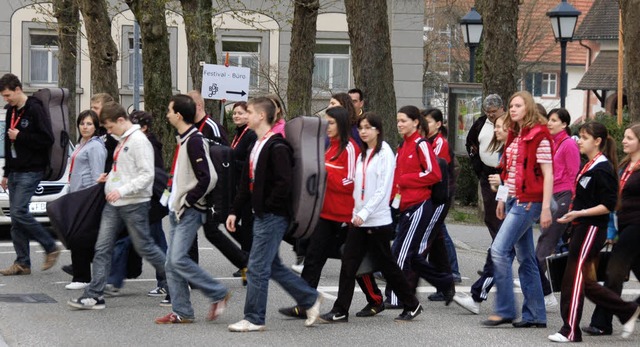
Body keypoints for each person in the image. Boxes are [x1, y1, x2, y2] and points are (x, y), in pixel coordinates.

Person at [225, 97, 321, 332]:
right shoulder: (257, 144)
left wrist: (267, 206)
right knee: (273, 266)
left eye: (249, 112)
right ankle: (310, 298)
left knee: (257, 267)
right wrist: (235, 211)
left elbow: (284, 183)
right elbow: (248, 183)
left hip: (273, 215)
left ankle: (254, 318)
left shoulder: (277, 146)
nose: (244, 115)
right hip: (262, 214)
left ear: (261, 116)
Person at [280, 106, 383, 320]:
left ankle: (373, 299)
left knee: (352, 263)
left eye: (332, 123)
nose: (327, 126)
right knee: (313, 257)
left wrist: (326, 174)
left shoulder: (351, 148)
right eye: (326, 122)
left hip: (347, 216)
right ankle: (304, 304)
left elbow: (353, 181)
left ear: (342, 124)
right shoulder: (329, 148)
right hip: (326, 214)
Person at [320, 112, 423, 322]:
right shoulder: (363, 153)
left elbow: (383, 190)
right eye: (361, 128)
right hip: (359, 220)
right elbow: (359, 188)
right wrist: (354, 212)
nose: (363, 131)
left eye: (368, 127)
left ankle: (412, 304)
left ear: (377, 129)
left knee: (388, 266)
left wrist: (364, 213)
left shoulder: (384, 152)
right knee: (348, 264)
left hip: (377, 221)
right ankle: (340, 310)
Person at [67, 101, 167, 310]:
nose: (109, 132)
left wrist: (120, 189)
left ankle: (177, 283)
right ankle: (95, 295)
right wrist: (110, 178)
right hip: (115, 202)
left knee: (147, 247)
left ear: (121, 120)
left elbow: (146, 174)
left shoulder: (138, 141)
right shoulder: (122, 139)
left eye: (110, 127)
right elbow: (121, 169)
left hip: (134, 202)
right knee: (103, 248)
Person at [548, 122, 640, 343]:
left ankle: (570, 330)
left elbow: (608, 204)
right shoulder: (590, 165)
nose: (579, 140)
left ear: (597, 141)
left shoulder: (603, 167)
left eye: (584, 137)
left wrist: (579, 213)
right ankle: (627, 310)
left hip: (592, 229)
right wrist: (573, 218)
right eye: (579, 136)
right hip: (583, 228)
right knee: (582, 282)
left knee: (576, 279)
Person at [155, 94, 229, 324]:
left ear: (178, 115)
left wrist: (188, 199)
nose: (167, 114)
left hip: (190, 209)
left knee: (176, 259)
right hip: (178, 208)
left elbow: (209, 178)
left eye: (169, 110)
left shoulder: (195, 140)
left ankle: (217, 292)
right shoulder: (184, 138)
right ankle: (182, 311)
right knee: (171, 262)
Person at [483, 91, 552, 328]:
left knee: (499, 251)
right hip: (514, 200)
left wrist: (545, 208)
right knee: (526, 259)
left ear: (528, 108)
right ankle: (535, 315)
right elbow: (509, 172)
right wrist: (502, 199)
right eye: (511, 105)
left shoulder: (538, 136)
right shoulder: (517, 134)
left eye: (518, 105)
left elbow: (548, 174)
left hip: (528, 202)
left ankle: (505, 309)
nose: (513, 109)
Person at [385, 105, 451, 310]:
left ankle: (396, 298)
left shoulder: (421, 144)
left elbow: (434, 174)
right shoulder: (402, 147)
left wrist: (407, 180)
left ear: (415, 122)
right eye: (398, 121)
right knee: (410, 254)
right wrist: (392, 202)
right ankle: (443, 281)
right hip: (405, 206)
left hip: (419, 205)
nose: (399, 124)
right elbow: (396, 179)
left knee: (400, 253)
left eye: (404, 120)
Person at [0, 73, 60, 276]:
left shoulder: (35, 108)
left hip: (32, 169)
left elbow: (47, 139)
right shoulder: (11, 111)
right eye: (3, 96)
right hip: (15, 171)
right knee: (16, 221)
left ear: (18, 89)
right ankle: (22, 263)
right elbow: (9, 144)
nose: (6, 99)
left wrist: (21, 136)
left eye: (8, 95)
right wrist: (6, 173)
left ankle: (50, 246)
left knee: (17, 212)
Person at [584, 123, 640, 336]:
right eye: (625, 137)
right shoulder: (625, 165)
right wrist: (611, 230)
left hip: (637, 225)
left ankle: (602, 322)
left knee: (614, 271)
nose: (624, 141)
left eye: (630, 138)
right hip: (624, 225)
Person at [454, 114, 509, 314]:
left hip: (522, 209)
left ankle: (478, 297)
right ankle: (541, 301)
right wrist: (501, 193)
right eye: (495, 127)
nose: (496, 130)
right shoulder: (508, 150)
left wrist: (503, 186)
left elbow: (525, 182)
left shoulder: (517, 148)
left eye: (501, 127)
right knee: (527, 258)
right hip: (515, 206)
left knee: (499, 250)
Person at [533, 108, 580, 308]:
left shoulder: (568, 144)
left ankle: (539, 288)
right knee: (547, 240)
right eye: (548, 120)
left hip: (563, 196)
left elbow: (573, 174)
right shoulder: (552, 142)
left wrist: (570, 202)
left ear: (564, 124)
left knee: (546, 243)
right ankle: (543, 288)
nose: (549, 123)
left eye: (554, 120)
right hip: (551, 196)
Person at [421, 108, 461, 303]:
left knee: (434, 237)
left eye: (427, 121)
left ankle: (450, 275)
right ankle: (446, 284)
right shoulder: (426, 142)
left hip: (439, 196)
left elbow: (432, 168)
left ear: (438, 124)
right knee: (437, 239)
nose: (424, 125)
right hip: (430, 196)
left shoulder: (439, 143)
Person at [65, 110, 107, 289]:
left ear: (96, 126)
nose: (85, 127)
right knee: (78, 236)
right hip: (77, 194)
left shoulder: (95, 146)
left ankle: (81, 277)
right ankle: (81, 274)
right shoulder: (82, 143)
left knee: (79, 237)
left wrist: (90, 197)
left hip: (86, 196)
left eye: (89, 123)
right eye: (82, 123)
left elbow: (97, 174)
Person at [228, 101, 257, 254]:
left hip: (247, 188)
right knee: (230, 222)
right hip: (237, 186)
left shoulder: (250, 134)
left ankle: (248, 258)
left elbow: (249, 163)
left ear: (248, 115)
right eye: (234, 113)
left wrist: (231, 162)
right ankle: (249, 253)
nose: (236, 116)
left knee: (246, 226)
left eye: (240, 113)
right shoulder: (238, 133)